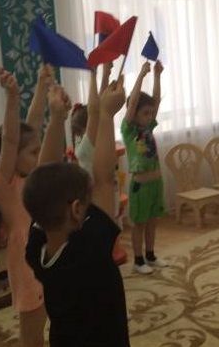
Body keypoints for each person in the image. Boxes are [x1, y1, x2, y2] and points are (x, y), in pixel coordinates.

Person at [24, 78, 130, 347]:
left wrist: (57, 119)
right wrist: (107, 116)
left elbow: (42, 178)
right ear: (76, 209)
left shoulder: (36, 249)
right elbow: (104, 180)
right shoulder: (90, 248)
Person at [0, 65, 57, 347]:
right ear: (9, 157)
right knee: (32, 332)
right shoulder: (3, 183)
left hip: (42, 253)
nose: (40, 155)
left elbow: (33, 122)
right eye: (33, 151)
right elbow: (12, 139)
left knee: (44, 322)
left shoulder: (27, 176)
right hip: (26, 263)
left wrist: (42, 85)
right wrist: (12, 97)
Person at [121, 61, 167, 274]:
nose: (150, 117)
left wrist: (157, 76)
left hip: (156, 183)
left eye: (151, 113)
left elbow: (156, 101)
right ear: (134, 113)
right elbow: (132, 104)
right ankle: (138, 260)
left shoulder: (148, 127)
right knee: (139, 224)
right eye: (145, 113)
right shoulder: (129, 130)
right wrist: (141, 74)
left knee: (152, 222)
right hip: (140, 187)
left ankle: (150, 255)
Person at [69, 63, 112, 172]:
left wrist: (106, 75)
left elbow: (98, 106)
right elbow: (95, 112)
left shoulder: (81, 140)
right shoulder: (85, 148)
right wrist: (93, 74)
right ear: (85, 128)